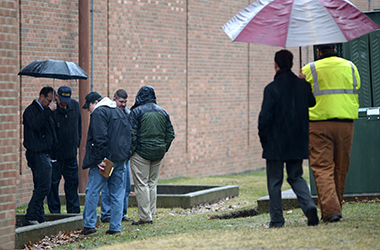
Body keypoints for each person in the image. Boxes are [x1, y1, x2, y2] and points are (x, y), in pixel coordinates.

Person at [258, 50, 318, 228]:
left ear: (275, 64)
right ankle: (309, 207)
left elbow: (264, 120)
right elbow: (312, 102)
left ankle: (277, 220)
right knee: (296, 177)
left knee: (275, 182)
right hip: (296, 141)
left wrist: (265, 142)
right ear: (292, 64)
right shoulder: (302, 86)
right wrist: (304, 82)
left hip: (275, 144)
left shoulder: (271, 89)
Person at [301, 44, 360, 223]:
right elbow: (356, 90)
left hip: (318, 125)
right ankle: (336, 208)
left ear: (318, 51)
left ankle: (331, 210)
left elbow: (301, 95)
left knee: (322, 168)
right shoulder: (351, 66)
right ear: (335, 48)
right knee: (341, 167)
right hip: (345, 123)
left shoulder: (309, 69)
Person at [80, 92, 133, 235]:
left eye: (89, 106)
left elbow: (99, 138)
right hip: (120, 160)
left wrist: (99, 159)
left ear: (96, 102)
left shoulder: (99, 113)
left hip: (105, 161)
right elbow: (129, 135)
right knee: (117, 193)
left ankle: (89, 225)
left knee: (93, 191)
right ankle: (115, 227)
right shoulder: (119, 111)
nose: (88, 109)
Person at [129, 85, 175, 225]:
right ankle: (151, 213)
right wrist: (163, 149)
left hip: (140, 153)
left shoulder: (136, 112)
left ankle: (145, 217)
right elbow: (170, 134)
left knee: (141, 184)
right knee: (152, 184)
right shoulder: (163, 112)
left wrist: (133, 151)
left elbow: (131, 134)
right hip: (158, 154)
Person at [23, 86, 57, 225]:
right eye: (48, 100)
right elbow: (36, 125)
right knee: (44, 186)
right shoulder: (31, 111)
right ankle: (31, 214)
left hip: (45, 153)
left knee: (40, 186)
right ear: (41, 96)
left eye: (51, 101)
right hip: (37, 154)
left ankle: (39, 216)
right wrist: (49, 110)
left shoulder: (44, 111)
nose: (49, 103)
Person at [47, 85, 82, 214]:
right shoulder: (52, 109)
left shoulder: (75, 106)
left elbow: (79, 126)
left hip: (71, 155)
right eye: (61, 100)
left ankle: (73, 213)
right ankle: (55, 213)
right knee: (53, 186)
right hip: (55, 156)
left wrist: (76, 143)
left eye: (66, 101)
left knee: (72, 185)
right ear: (57, 97)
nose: (64, 103)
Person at [100, 89, 133, 223]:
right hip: (110, 156)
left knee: (124, 187)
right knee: (108, 187)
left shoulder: (128, 113)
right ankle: (107, 214)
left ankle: (120, 214)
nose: (123, 104)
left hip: (123, 156)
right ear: (114, 100)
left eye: (125, 102)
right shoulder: (108, 113)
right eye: (121, 101)